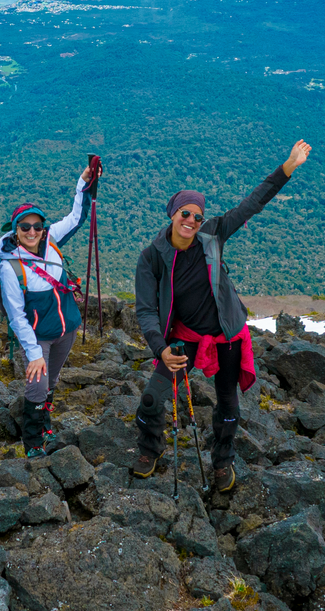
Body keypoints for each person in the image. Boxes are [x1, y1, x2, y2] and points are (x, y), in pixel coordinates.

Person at [133, 140, 312, 492]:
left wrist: (287, 167)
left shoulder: (213, 236)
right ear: (172, 214)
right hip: (182, 338)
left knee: (228, 403)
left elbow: (252, 204)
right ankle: (148, 449)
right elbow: (145, 310)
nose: (192, 221)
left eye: (197, 216)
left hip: (228, 334)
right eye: (185, 213)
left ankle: (223, 459)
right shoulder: (152, 257)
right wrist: (160, 348)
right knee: (152, 398)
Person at [0, 162, 100, 457]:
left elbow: (76, 218)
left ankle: (45, 422)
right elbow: (16, 316)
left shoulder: (51, 241)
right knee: (38, 386)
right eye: (25, 226)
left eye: (37, 226)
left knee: (51, 382)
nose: (32, 231)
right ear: (15, 230)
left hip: (67, 329)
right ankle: (32, 442)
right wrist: (34, 353)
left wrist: (83, 186)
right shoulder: (9, 266)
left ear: (43, 228)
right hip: (39, 335)